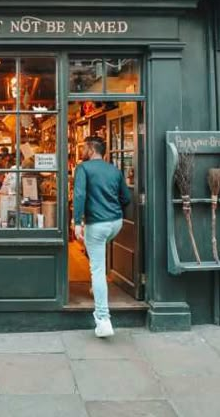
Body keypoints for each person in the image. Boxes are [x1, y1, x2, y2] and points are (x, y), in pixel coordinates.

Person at [73, 135, 131, 338]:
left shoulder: (83, 168)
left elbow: (79, 195)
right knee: (98, 255)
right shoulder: (114, 170)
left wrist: (76, 222)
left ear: (90, 149)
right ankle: (95, 287)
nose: (82, 150)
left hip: (96, 224)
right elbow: (126, 197)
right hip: (116, 223)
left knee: (96, 268)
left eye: (83, 147)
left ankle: (103, 318)